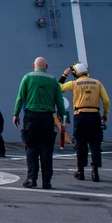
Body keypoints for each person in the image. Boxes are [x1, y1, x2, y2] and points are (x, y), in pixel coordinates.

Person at [12, 57, 65, 189]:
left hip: (31, 117)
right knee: (47, 149)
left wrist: (16, 114)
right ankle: (46, 181)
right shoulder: (53, 80)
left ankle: (31, 178)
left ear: (33, 65)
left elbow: (20, 97)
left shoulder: (27, 77)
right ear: (46, 66)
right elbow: (60, 102)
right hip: (47, 117)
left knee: (31, 147)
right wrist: (63, 120)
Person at [60, 62, 110, 182]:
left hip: (80, 116)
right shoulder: (97, 83)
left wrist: (64, 75)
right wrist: (105, 115)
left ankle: (80, 170)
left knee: (81, 144)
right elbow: (106, 101)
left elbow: (59, 88)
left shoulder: (74, 83)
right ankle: (95, 171)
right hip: (94, 116)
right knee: (95, 144)